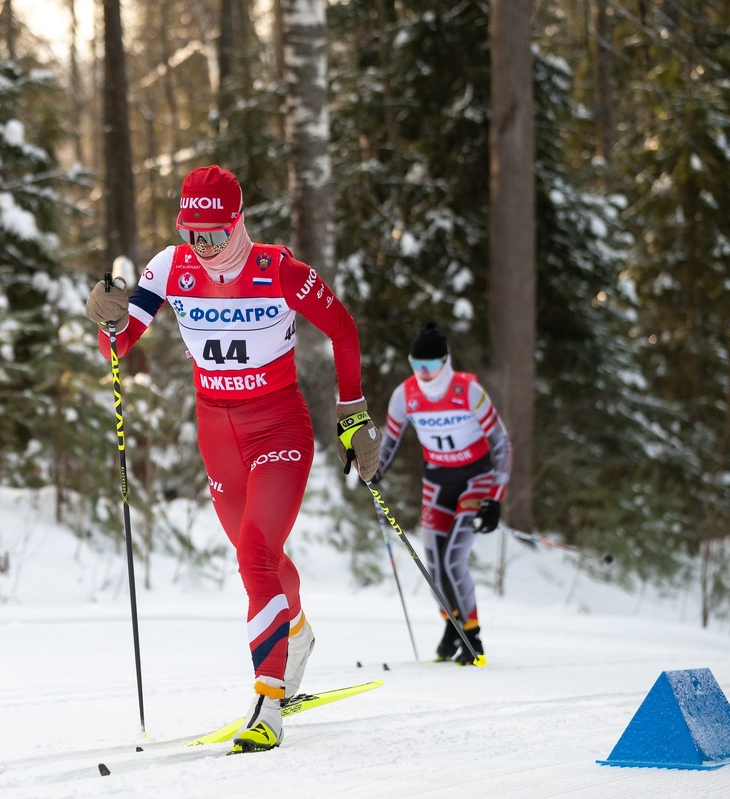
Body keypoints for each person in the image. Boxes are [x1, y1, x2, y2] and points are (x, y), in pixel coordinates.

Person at [84, 165, 380, 753]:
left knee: (255, 555)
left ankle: (268, 702)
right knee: (258, 559)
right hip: (216, 431)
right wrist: (108, 314)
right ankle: (296, 634)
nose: (205, 247)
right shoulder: (170, 268)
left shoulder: (278, 270)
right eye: (193, 234)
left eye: (216, 234)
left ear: (238, 224)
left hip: (278, 426)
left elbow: (343, 330)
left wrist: (354, 415)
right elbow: (117, 345)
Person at [373, 322, 512, 665]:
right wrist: (374, 472)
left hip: (475, 477)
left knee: (453, 558)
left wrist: (495, 499)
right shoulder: (405, 395)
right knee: (433, 561)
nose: (424, 373)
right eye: (416, 365)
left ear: (445, 362)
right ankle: (452, 626)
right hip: (437, 480)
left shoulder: (468, 391)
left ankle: (473, 634)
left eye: (431, 366)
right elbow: (389, 444)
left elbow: (502, 444)